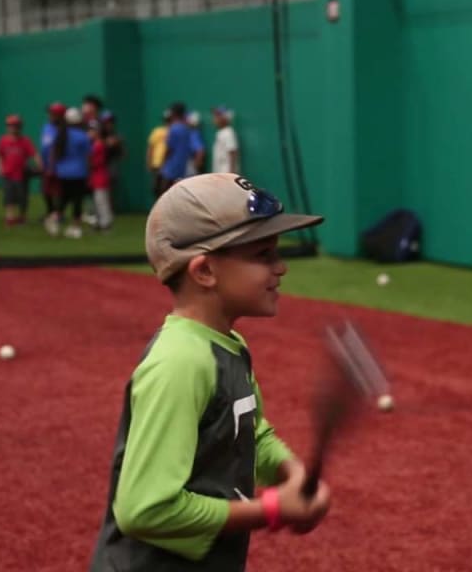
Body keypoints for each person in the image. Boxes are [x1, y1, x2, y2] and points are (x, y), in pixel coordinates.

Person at [88, 172, 330, 572]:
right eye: (263, 254)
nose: (281, 267)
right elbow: (145, 509)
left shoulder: (226, 344)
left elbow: (251, 433)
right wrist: (270, 509)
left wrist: (293, 473)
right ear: (204, 272)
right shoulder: (182, 362)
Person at [47, 107, 92, 238]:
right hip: (79, 172)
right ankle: (75, 227)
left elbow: (53, 154)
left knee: (64, 199)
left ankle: (54, 219)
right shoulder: (82, 136)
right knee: (77, 200)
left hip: (63, 173)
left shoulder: (60, 134)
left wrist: (52, 168)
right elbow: (88, 155)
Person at [0, 114, 41, 225]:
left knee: (22, 197)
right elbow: (0, 156)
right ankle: (10, 217)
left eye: (16, 126)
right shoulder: (3, 140)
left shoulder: (25, 141)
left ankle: (22, 216)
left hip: (21, 174)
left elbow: (34, 154)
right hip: (8, 173)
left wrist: (41, 165)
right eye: (11, 125)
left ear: (20, 127)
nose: (13, 128)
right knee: (9, 196)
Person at [159, 103, 192, 193]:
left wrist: (162, 164)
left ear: (174, 114)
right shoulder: (186, 129)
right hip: (182, 169)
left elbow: (169, 149)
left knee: (165, 195)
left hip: (171, 169)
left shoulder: (173, 128)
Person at [87, 120, 112, 230]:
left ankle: (105, 223)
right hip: (96, 176)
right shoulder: (95, 144)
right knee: (97, 201)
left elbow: (97, 162)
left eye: (92, 130)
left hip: (100, 176)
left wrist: (88, 162)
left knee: (101, 201)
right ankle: (99, 222)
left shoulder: (99, 144)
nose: (89, 133)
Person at [147, 110, 169, 200]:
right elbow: (151, 147)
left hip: (168, 164)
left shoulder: (173, 130)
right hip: (156, 164)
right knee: (156, 188)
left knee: (166, 188)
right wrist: (149, 162)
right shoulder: (157, 131)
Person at [212, 106, 240, 175]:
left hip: (226, 174)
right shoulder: (221, 132)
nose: (215, 119)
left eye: (218, 116)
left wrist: (231, 174)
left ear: (225, 118)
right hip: (220, 174)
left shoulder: (228, 132)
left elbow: (233, 152)